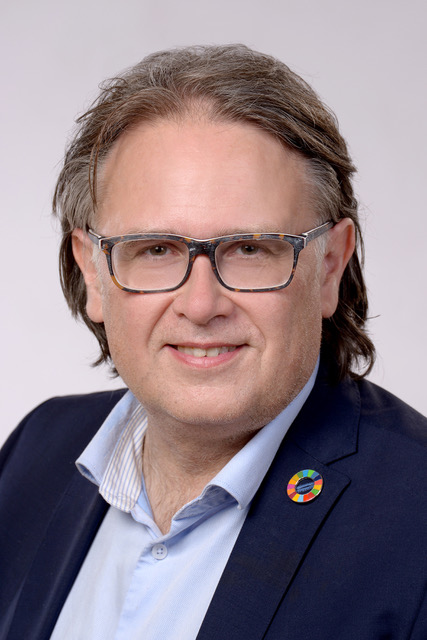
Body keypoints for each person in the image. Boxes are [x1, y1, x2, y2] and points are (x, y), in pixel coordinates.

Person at [0, 44, 426, 640]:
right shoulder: (34, 453)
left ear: (330, 265)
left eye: (250, 249)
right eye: (155, 249)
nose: (201, 305)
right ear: (92, 273)